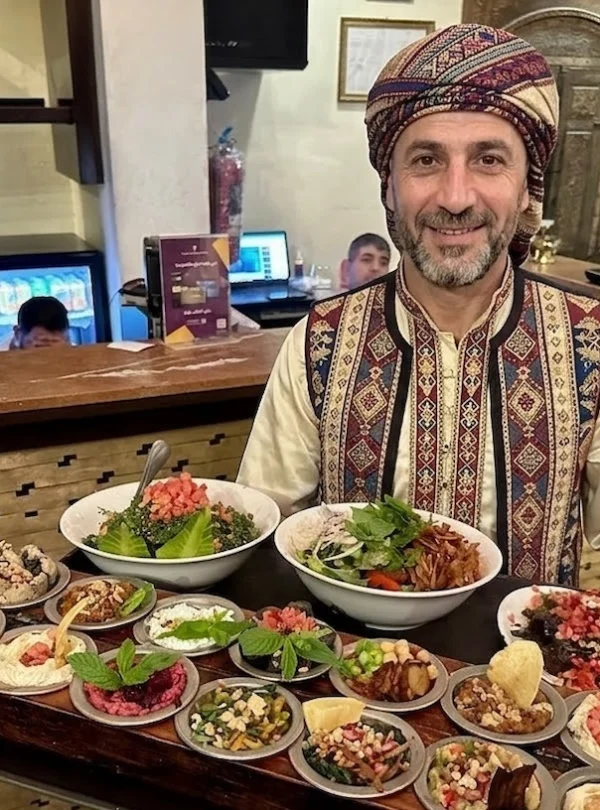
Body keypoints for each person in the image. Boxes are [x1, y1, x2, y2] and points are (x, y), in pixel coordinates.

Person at [237, 23, 600, 587]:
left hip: (528, 669)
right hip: (354, 668)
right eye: (426, 161)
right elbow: (261, 534)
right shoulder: (320, 341)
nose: (455, 198)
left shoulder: (591, 340)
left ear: (529, 187)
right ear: (388, 185)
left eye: (489, 160)